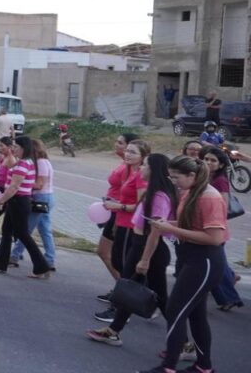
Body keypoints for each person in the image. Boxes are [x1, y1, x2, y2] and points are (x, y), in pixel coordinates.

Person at [138, 156, 228, 373]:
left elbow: (215, 237)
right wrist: (166, 224)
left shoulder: (209, 197)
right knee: (195, 314)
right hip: (191, 257)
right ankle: (204, 367)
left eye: (177, 177)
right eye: (171, 177)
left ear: (192, 176)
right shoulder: (191, 192)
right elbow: (191, 224)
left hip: (205, 260)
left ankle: (168, 366)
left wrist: (172, 229)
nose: (174, 181)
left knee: (175, 309)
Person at [87, 153, 177, 347]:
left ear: (154, 170)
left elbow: (155, 230)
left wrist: (144, 259)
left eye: (144, 165)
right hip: (140, 245)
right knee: (130, 289)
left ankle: (183, 341)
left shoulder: (159, 196)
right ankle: (113, 331)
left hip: (148, 248)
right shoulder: (151, 192)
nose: (140, 169)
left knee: (154, 295)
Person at [96, 139, 151, 323]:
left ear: (143, 157)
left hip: (131, 227)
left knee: (126, 268)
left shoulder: (140, 176)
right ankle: (132, 302)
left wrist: (117, 206)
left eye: (133, 152)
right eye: (127, 151)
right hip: (121, 222)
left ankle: (120, 309)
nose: (127, 154)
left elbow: (140, 206)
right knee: (121, 265)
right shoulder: (130, 172)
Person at [0, 135, 52, 278]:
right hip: (18, 201)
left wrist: (0, 202)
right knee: (8, 231)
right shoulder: (26, 162)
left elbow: (14, 187)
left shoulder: (23, 164)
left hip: (19, 201)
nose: (13, 149)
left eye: (16, 147)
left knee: (22, 234)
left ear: (24, 148)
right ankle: (0, 263)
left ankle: (42, 266)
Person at [94, 133, 141, 302]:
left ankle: (128, 295)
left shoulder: (134, 170)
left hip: (122, 215)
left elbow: (135, 198)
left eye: (121, 143)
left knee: (115, 256)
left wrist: (118, 206)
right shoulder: (125, 165)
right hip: (115, 212)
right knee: (109, 254)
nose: (117, 145)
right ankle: (122, 290)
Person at [199, 146, 244, 311]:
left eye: (213, 161)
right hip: (207, 227)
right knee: (218, 265)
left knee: (217, 266)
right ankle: (229, 287)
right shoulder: (205, 177)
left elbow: (223, 207)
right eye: (206, 159)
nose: (209, 163)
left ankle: (228, 297)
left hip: (215, 228)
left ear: (220, 165)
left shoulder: (220, 181)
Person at [11, 139, 57, 271]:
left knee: (27, 228)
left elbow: (40, 184)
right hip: (46, 196)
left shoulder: (41, 163)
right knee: (45, 229)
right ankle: (49, 259)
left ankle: (15, 255)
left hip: (41, 197)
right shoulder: (45, 161)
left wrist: (25, 182)